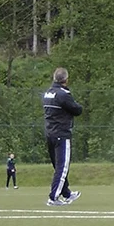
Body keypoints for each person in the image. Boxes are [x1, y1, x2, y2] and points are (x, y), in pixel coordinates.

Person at [42, 67, 83, 207]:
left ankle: (66, 193)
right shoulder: (63, 94)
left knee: (58, 166)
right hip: (61, 134)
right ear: (66, 79)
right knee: (62, 167)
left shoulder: (48, 93)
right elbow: (77, 110)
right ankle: (53, 197)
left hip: (50, 133)